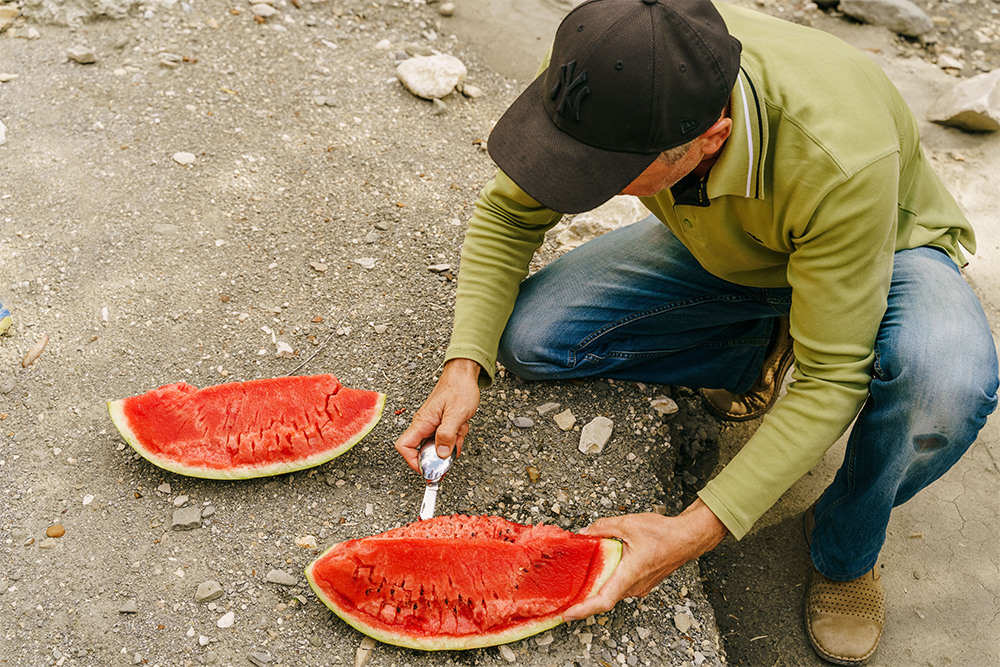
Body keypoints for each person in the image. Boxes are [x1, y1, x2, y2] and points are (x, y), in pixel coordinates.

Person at [394, 0, 998, 664]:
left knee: (946, 379)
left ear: (710, 139)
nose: (575, 184)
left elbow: (833, 379)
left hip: (883, 251)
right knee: (533, 338)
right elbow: (507, 215)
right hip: (727, 242)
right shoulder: (603, 69)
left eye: (601, 174)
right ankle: (762, 342)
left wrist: (690, 531)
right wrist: (462, 365)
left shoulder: (841, 156)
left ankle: (844, 543)